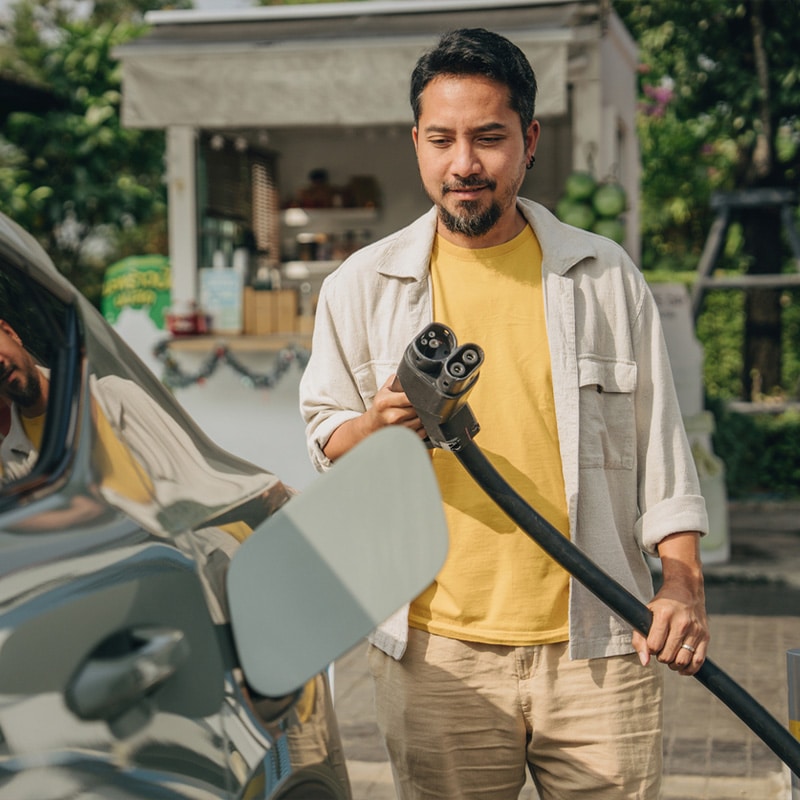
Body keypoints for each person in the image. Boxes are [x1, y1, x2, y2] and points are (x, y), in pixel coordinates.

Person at [300, 27, 709, 800]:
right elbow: (327, 433)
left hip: (601, 646)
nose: (465, 164)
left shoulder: (601, 276)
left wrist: (682, 582)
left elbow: (662, 450)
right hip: (436, 655)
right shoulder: (360, 286)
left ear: (528, 140)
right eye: (442, 139)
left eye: (489, 138)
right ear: (415, 141)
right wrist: (377, 428)